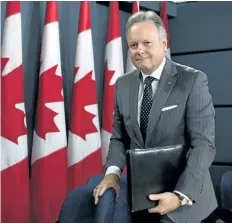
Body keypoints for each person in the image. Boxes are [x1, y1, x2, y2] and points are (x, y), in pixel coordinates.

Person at [58, 11, 217, 223]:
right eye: (133, 45)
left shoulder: (192, 80)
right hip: (140, 196)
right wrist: (113, 173)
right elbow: (119, 138)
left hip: (185, 198)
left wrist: (180, 195)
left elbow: (203, 145)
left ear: (163, 43)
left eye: (146, 43)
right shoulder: (123, 85)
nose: (139, 51)